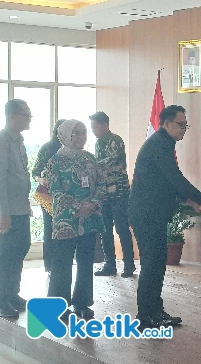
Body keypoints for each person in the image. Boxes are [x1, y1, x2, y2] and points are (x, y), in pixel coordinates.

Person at [128, 105, 201, 328]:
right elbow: (175, 178)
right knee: (152, 264)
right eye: (180, 125)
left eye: (185, 125)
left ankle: (155, 312)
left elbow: (167, 183)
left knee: (157, 263)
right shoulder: (159, 144)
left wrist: (191, 202)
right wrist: (200, 200)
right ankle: (146, 316)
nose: (184, 129)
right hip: (146, 214)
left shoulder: (163, 143)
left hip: (152, 213)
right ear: (166, 124)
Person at [45, 120, 106, 319]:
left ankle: (82, 303)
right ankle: (58, 306)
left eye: (83, 133)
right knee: (62, 263)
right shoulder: (55, 161)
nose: (81, 137)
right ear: (65, 136)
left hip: (89, 220)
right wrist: (79, 206)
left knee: (86, 261)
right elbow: (55, 191)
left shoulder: (90, 159)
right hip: (65, 221)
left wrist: (93, 204)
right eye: (76, 133)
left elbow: (102, 185)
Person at [89, 111, 135, 278]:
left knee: (122, 228)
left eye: (95, 127)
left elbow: (110, 161)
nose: (93, 130)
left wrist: (90, 164)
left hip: (119, 191)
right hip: (104, 192)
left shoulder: (115, 140)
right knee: (105, 229)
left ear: (104, 125)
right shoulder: (98, 143)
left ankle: (129, 265)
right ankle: (110, 264)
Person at [0, 99, 32, 318]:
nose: (29, 119)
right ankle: (2, 299)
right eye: (26, 115)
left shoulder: (19, 141)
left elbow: (22, 175)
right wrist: (4, 213)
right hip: (8, 211)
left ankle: (12, 293)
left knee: (20, 249)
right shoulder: (2, 141)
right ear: (13, 116)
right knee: (6, 255)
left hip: (21, 208)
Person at [31, 119, 66, 274]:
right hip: (48, 195)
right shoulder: (47, 148)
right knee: (49, 228)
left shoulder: (72, 149)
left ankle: (62, 263)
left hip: (67, 196)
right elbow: (35, 172)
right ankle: (49, 265)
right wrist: (41, 179)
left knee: (64, 229)